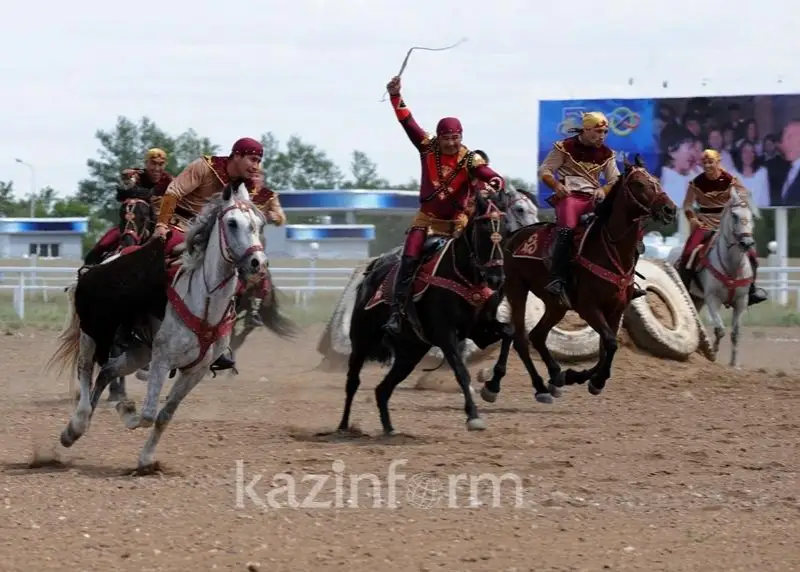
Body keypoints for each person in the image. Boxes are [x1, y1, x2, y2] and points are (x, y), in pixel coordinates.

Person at [382, 75, 505, 337]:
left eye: (456, 137)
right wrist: (395, 95)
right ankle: (397, 313)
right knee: (409, 258)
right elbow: (407, 122)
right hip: (426, 222)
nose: (451, 142)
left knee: (488, 259)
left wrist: (495, 182)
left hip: (458, 225)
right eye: (446, 137)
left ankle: (491, 315)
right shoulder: (427, 148)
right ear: (438, 137)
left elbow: (488, 173)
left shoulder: (470, 159)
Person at [153, 137, 286, 369]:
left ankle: (218, 340)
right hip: (178, 224)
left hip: (208, 234)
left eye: (259, 161)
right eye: (253, 159)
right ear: (237, 155)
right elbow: (173, 192)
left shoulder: (243, 185)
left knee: (233, 276)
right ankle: (144, 325)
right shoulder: (205, 167)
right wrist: (162, 225)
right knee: (164, 264)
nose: (256, 166)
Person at [538, 111, 647, 308]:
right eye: (597, 132)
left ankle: (628, 279)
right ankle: (557, 278)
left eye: (605, 132)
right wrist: (555, 185)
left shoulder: (607, 154)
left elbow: (614, 179)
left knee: (623, 226)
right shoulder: (565, 147)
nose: (602, 136)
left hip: (593, 199)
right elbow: (544, 170)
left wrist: (604, 189)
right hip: (569, 197)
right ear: (586, 130)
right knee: (567, 228)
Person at [678, 149, 768, 306]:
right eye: (704, 162)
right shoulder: (695, 183)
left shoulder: (730, 180)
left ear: (718, 162)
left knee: (752, 254)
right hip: (705, 224)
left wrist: (741, 204)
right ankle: (683, 290)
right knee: (687, 253)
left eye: (710, 162)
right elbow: (687, 205)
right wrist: (692, 218)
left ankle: (751, 289)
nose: (707, 165)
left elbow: (744, 195)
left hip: (728, 225)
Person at [85, 148, 173, 264]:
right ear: (146, 163)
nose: (156, 168)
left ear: (165, 165)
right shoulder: (134, 175)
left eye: (160, 164)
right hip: (132, 222)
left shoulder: (170, 181)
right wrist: (149, 195)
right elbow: (122, 194)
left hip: (161, 225)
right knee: (102, 245)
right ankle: (87, 269)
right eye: (153, 164)